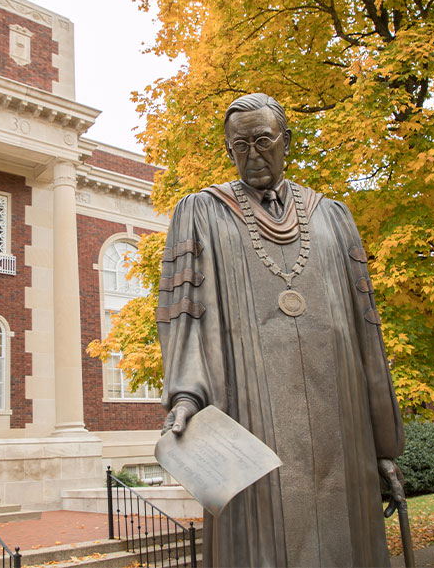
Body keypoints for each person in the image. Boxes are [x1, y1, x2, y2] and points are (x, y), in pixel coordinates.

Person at [157, 93, 405, 567]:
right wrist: (186, 396)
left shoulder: (334, 219)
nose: (252, 155)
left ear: (287, 141)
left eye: (263, 141)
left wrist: (382, 444)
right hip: (248, 418)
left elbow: (367, 335)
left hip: (343, 423)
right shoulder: (202, 213)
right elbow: (182, 313)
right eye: (240, 146)